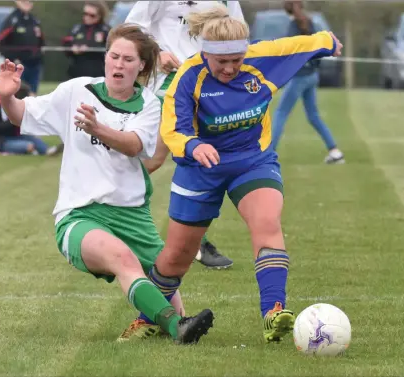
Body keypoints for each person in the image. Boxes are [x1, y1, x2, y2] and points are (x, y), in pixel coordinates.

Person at [0, 23, 214, 344]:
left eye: (128, 59)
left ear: (141, 65)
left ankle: (165, 323)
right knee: (123, 260)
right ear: (106, 58)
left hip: (132, 215)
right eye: (114, 56)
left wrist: (97, 128)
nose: (118, 64)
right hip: (80, 213)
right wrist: (6, 97)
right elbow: (21, 115)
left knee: (167, 279)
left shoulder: (150, 105)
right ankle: (176, 328)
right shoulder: (76, 91)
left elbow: (134, 145)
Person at [148, 4, 343, 344]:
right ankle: (147, 318)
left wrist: (328, 41)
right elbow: (173, 131)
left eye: (236, 60)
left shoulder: (260, 60)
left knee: (267, 223)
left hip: (253, 160)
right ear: (205, 52)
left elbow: (300, 45)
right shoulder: (188, 78)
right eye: (221, 61)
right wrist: (194, 146)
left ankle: (273, 313)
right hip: (200, 169)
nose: (230, 68)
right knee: (177, 257)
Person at [125, 1, 243, 269]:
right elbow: (131, 28)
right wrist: (157, 52)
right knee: (155, 157)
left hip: (212, 82)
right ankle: (107, 207)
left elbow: (238, 33)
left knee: (208, 159)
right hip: (171, 81)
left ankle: (194, 242)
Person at [271, 0, 345, 164]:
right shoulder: (310, 22)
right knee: (313, 116)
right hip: (312, 76)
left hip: (299, 78)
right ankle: (335, 151)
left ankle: (268, 154)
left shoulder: (292, 27)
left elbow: (288, 54)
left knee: (281, 113)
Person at [0, 81, 55, 155]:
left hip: (11, 136)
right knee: (28, 146)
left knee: (33, 139)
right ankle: (31, 150)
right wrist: (14, 120)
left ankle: (48, 151)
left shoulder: (11, 103)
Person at [0, 0, 45, 95]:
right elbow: (0, 43)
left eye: (30, 1)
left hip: (34, 65)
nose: (27, 3)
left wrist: (40, 55)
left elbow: (41, 42)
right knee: (18, 95)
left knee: (32, 96)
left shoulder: (34, 21)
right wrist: (13, 59)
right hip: (17, 65)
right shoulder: (11, 20)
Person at [62, 1, 111, 79]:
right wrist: (72, 48)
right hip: (75, 74)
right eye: (85, 13)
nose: (87, 17)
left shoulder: (106, 30)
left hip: (97, 75)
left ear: (100, 15)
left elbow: (110, 49)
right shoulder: (77, 28)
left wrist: (88, 48)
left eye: (92, 15)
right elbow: (66, 42)